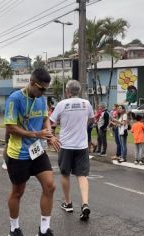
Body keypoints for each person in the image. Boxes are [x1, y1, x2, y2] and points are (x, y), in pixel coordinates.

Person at [4, 69, 61, 236]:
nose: (43, 92)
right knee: (18, 191)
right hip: (19, 153)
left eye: (46, 89)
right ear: (31, 82)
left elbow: (45, 119)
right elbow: (10, 127)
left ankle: (44, 229)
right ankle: (14, 228)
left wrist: (49, 135)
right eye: (41, 88)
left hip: (37, 151)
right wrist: (37, 134)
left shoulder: (41, 99)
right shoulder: (15, 99)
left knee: (50, 186)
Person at [49, 80, 94, 221]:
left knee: (65, 174)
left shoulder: (62, 104)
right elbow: (92, 120)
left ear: (67, 91)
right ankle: (85, 204)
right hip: (82, 145)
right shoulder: (86, 104)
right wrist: (81, 125)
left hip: (66, 145)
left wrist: (52, 136)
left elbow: (50, 122)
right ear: (79, 91)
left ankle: (68, 203)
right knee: (82, 175)